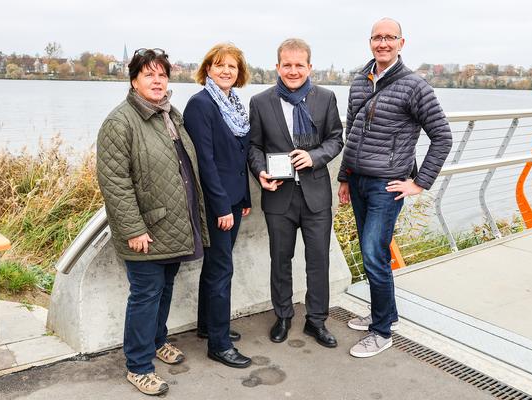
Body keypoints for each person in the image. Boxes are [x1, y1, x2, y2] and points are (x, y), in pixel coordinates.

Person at [96, 48, 209, 396]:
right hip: (146, 229)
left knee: (165, 288)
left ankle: (158, 341)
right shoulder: (120, 122)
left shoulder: (169, 114)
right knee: (145, 295)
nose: (157, 80)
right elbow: (114, 182)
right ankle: (138, 365)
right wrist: (133, 229)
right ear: (134, 80)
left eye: (162, 74)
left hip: (176, 225)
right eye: (149, 74)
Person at [337, 18, 452, 358]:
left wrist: (420, 182)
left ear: (402, 43)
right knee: (373, 251)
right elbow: (352, 133)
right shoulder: (360, 81)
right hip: (357, 180)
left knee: (373, 254)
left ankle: (382, 331)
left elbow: (442, 137)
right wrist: (344, 176)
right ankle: (384, 313)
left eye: (389, 38)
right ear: (369, 42)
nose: (382, 43)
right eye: (377, 37)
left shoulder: (416, 86)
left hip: (387, 186)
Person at [248, 38, 344, 348]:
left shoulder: (326, 98)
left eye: (299, 65)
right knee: (280, 259)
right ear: (277, 67)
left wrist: (314, 157)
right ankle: (284, 315)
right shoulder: (260, 102)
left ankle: (316, 321)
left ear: (309, 67)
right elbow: (254, 146)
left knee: (318, 261)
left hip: (316, 196)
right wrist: (260, 170)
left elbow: (336, 139)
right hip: (279, 196)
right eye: (286, 65)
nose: (292, 70)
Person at [183, 43, 252, 368]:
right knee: (222, 269)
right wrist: (223, 207)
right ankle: (219, 344)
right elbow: (205, 163)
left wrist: (245, 199)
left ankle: (209, 326)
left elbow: (239, 156)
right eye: (220, 65)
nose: (226, 71)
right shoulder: (200, 105)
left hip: (235, 199)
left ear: (239, 74)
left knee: (215, 266)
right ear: (208, 69)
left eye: (232, 67)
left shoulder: (234, 104)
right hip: (216, 203)